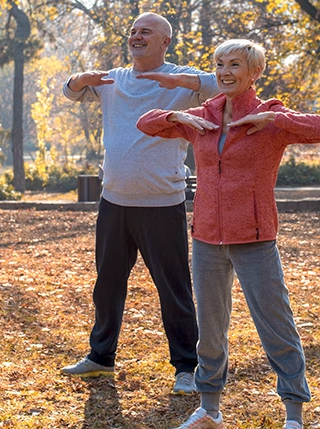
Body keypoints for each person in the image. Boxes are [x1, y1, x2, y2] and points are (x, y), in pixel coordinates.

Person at [137, 39, 320, 429]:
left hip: (255, 238)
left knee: (276, 325)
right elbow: (146, 122)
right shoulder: (203, 117)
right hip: (207, 238)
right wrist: (179, 116)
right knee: (210, 330)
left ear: (254, 73)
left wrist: (275, 122)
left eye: (234, 65)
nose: (225, 71)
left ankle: (293, 415)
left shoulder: (269, 116)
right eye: (220, 64)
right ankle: (210, 412)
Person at [59, 12, 219, 395]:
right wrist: (81, 79)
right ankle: (100, 357)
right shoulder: (114, 79)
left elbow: (223, 85)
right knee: (107, 284)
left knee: (174, 289)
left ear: (165, 41)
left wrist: (177, 81)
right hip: (114, 201)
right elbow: (69, 91)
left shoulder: (183, 78)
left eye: (145, 31)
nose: (136, 36)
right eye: (132, 31)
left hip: (162, 204)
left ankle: (186, 367)